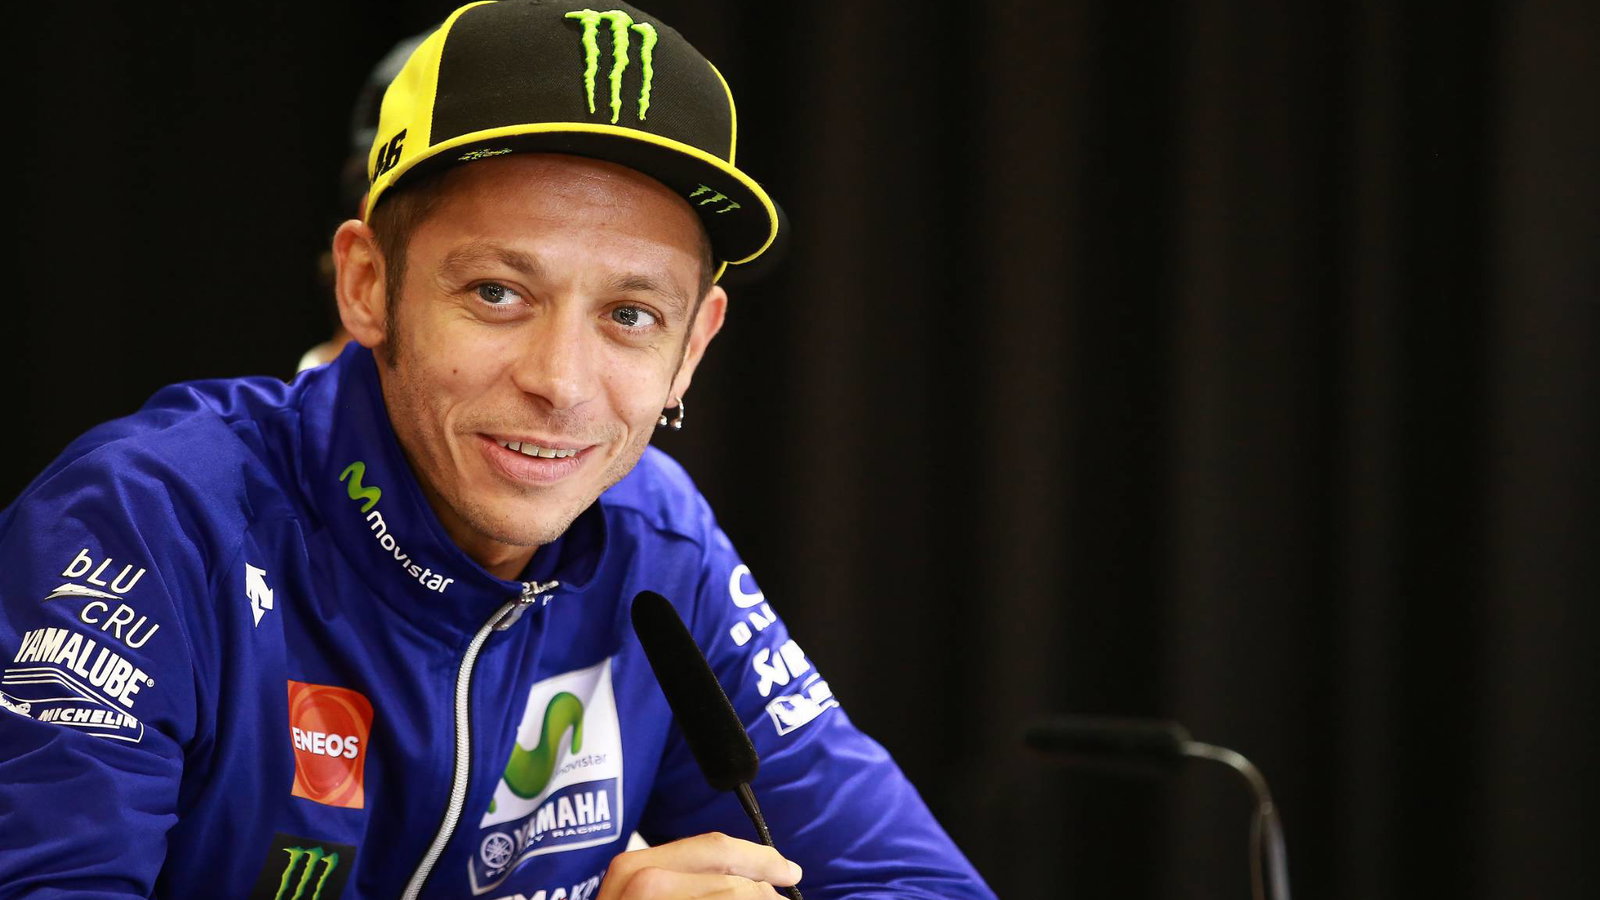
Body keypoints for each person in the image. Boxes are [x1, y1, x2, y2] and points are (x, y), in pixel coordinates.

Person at [0, 3, 996, 899]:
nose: (562, 382)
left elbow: (914, 882)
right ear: (366, 286)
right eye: (497, 293)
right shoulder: (149, 521)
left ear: (692, 349)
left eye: (631, 314)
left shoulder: (656, 537)